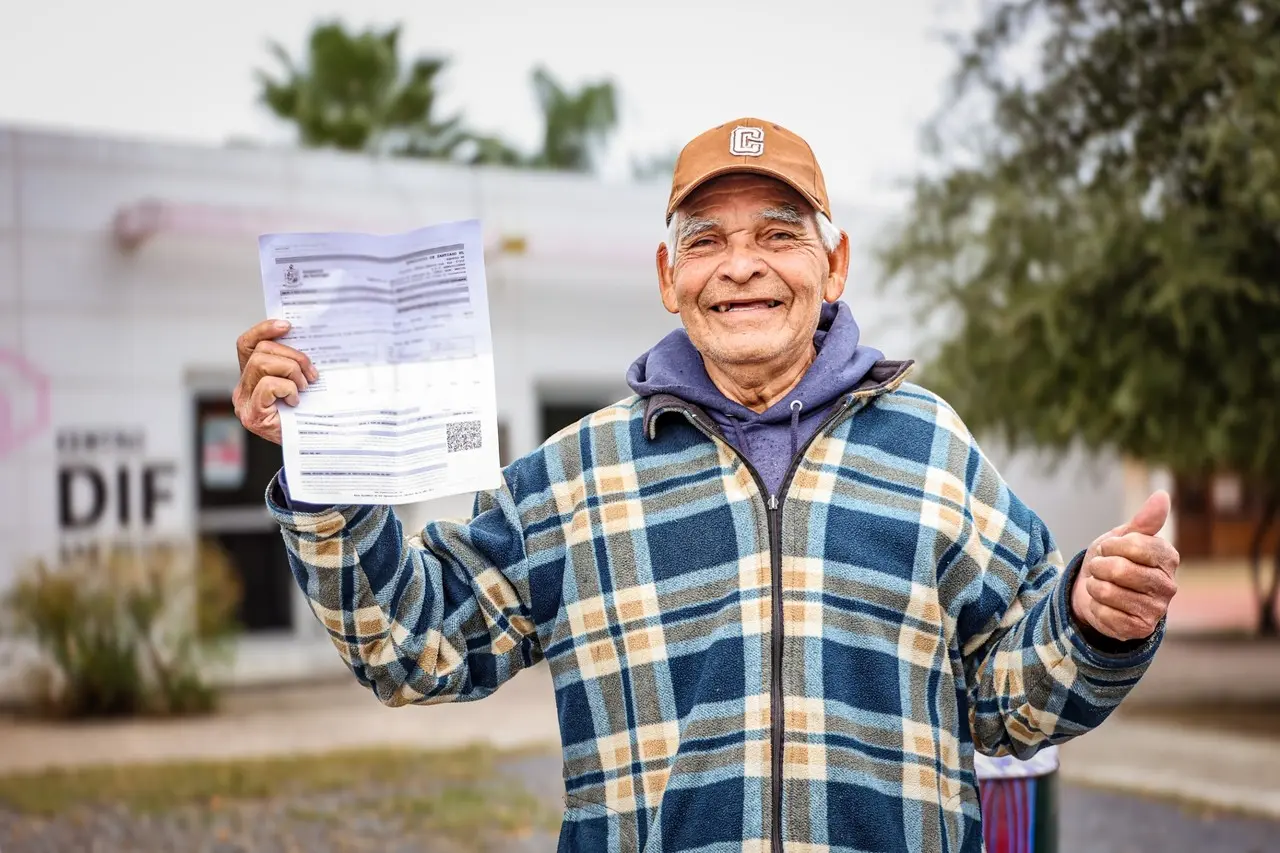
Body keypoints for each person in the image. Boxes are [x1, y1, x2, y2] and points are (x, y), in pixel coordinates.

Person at [232, 117, 1180, 852]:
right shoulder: (579, 474)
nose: (741, 266)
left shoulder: (930, 450)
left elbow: (1010, 702)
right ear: (668, 274)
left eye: (779, 233)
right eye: (706, 239)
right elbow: (416, 644)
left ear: (834, 263)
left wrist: (1093, 619)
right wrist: (324, 467)